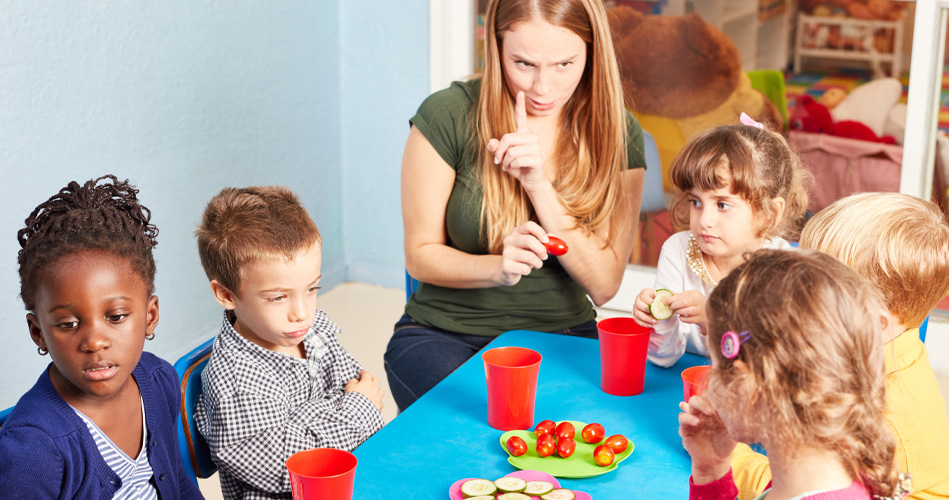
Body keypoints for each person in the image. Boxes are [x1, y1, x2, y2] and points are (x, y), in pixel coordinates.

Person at [385, 0, 647, 411]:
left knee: (571, 439)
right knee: (487, 424)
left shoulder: (617, 132)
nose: (543, 88)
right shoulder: (447, 115)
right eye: (524, 63)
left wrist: (538, 185)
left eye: (564, 64)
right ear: (496, 47)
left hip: (561, 335)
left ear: (593, 53)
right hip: (443, 334)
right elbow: (419, 257)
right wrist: (497, 269)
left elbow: (604, 284)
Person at [729, 193, 949, 500]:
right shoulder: (873, 345)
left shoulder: (881, 424)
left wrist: (731, 461)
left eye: (811, 287)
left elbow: (805, 486)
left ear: (872, 322)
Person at [0, 175, 204, 499]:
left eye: (116, 317)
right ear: (38, 332)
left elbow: (178, 479)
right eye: (67, 324)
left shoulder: (158, 380)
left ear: (150, 316)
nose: (94, 341)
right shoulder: (32, 450)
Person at [193, 186, 385, 500]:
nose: (301, 313)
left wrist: (307, 424)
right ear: (227, 295)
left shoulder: (310, 330)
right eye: (279, 297)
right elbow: (292, 467)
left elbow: (356, 383)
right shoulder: (236, 380)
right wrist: (354, 411)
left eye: (311, 289)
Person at [680, 249, 908, 500]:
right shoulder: (829, 473)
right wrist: (712, 472)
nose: (710, 383)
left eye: (714, 364)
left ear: (747, 385)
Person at [632, 116, 809, 367]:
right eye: (696, 201)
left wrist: (712, 319)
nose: (705, 220)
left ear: (769, 214)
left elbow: (770, 367)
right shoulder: (678, 249)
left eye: (723, 204)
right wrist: (658, 319)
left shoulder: (782, 267)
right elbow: (663, 358)